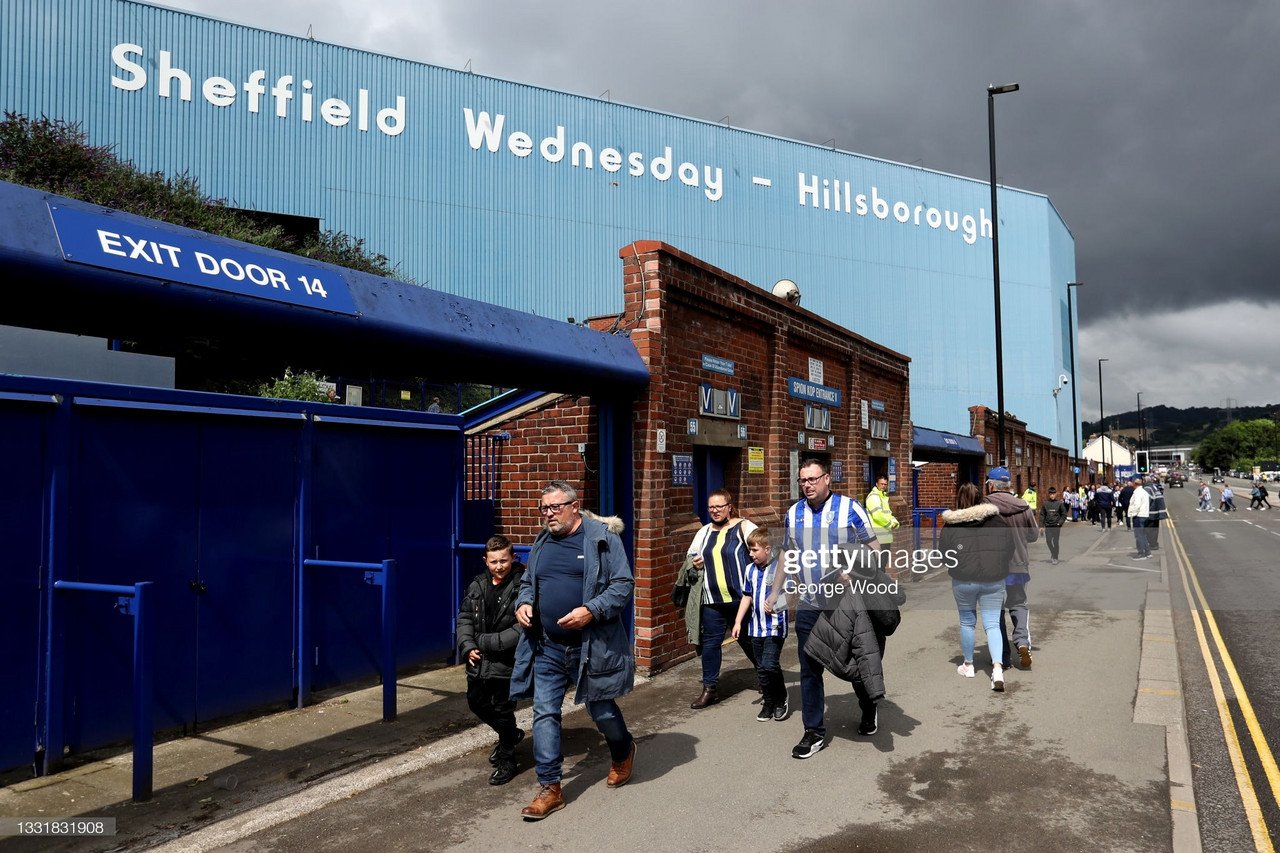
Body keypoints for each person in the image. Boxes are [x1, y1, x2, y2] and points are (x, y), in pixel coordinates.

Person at [511, 481, 636, 820]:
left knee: (602, 712)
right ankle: (550, 787)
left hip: (590, 647)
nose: (548, 514)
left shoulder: (601, 539)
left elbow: (623, 585)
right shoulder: (542, 541)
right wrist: (524, 603)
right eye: (544, 508)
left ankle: (623, 751)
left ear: (574, 505)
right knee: (544, 713)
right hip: (548, 646)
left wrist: (590, 610)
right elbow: (527, 582)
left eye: (554, 507)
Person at [784, 457, 882, 759]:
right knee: (809, 667)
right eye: (802, 480)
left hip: (845, 605)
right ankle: (813, 731)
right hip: (811, 603)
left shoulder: (850, 509)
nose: (807, 485)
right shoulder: (793, 513)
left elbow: (875, 551)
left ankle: (868, 707)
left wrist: (852, 571)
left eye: (812, 479)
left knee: (853, 664)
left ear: (828, 479)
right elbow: (790, 554)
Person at [457, 535, 526, 786]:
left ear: (513, 558)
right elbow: (464, 617)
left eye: (504, 561)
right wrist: (468, 646)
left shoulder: (523, 585)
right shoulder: (478, 585)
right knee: (476, 702)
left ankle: (508, 759)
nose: (499, 566)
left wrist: (483, 643)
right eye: (494, 561)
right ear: (486, 561)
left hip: (507, 660)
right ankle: (511, 735)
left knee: (503, 709)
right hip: (477, 660)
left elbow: (523, 627)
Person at [687, 489, 758, 709]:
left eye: (719, 506)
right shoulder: (704, 532)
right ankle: (709, 689)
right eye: (711, 507)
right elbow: (691, 556)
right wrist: (694, 563)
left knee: (748, 640)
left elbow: (764, 549)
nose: (715, 511)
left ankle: (766, 676)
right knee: (710, 644)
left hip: (741, 598)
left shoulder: (744, 527)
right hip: (712, 599)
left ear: (729, 506)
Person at [940, 482, 1013, 691]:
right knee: (992, 624)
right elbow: (1009, 548)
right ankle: (997, 669)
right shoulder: (998, 521)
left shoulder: (952, 525)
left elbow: (944, 553)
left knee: (967, 622)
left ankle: (969, 665)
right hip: (994, 579)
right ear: (982, 497)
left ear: (960, 499)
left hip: (964, 580)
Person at [984, 467, 1039, 671]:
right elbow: (1033, 535)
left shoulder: (985, 505)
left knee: (995, 610)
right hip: (1018, 565)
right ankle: (1022, 642)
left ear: (991, 485)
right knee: (1018, 604)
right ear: (1009, 486)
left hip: (992, 568)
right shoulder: (1024, 506)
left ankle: (1002, 656)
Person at [732, 527, 789, 722]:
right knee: (761, 667)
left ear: (767, 549)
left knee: (770, 664)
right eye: (749, 550)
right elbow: (747, 596)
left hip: (775, 626)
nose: (751, 554)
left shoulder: (779, 568)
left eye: (755, 550)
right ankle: (769, 701)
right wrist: (738, 621)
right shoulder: (749, 570)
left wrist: (777, 605)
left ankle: (781, 699)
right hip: (755, 627)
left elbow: (792, 593)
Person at [865, 475, 902, 577]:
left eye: (885, 484)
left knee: (882, 565)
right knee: (878, 566)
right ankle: (877, 588)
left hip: (885, 537)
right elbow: (877, 516)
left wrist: (895, 522)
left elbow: (888, 514)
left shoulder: (883, 497)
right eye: (881, 484)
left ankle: (880, 587)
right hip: (878, 537)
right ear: (876, 484)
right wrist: (890, 524)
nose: (883, 486)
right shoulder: (874, 497)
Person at [1040, 486, 1068, 563]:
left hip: (1056, 526)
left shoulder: (1059, 503)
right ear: (1048, 494)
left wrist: (1060, 523)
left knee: (1055, 541)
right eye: (1050, 494)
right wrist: (1041, 526)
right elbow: (1042, 515)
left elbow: (1064, 514)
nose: (1052, 495)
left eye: (1053, 494)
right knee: (1048, 541)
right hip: (1048, 526)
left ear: (1056, 494)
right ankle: (1053, 552)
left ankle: (1055, 557)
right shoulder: (1045, 503)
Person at [1128, 475, 1152, 559]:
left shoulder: (1137, 492)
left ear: (1135, 483)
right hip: (1144, 515)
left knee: (1138, 535)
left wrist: (1132, 513)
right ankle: (1147, 552)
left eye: (1131, 482)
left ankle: (1142, 553)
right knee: (1142, 535)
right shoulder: (1144, 492)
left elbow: (1137, 505)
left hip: (1138, 515)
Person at [1144, 478, 1167, 550]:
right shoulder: (1155, 487)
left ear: (1145, 481)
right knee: (1155, 529)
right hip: (1157, 513)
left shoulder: (1147, 488)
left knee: (1148, 529)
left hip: (1150, 513)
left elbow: (1146, 501)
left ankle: (1152, 544)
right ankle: (1154, 544)